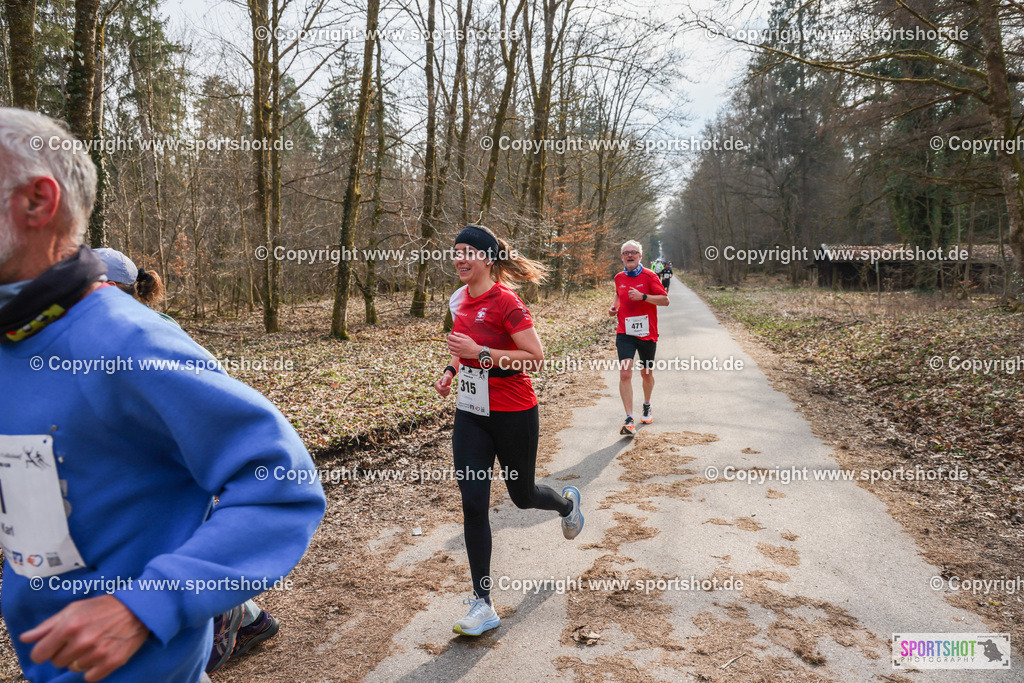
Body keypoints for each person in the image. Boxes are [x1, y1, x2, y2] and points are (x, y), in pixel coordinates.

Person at [0, 107, 325, 682]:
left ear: (37, 201)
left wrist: (145, 606)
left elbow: (282, 481)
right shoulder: (14, 339)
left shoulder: (123, 340)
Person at [93, 248, 280, 673]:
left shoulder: (150, 333)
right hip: (160, 460)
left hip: (180, 460)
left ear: (111, 290)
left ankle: (206, 637)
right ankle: (250, 618)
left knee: (166, 553)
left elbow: (211, 394)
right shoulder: (113, 332)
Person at [433, 224, 583, 637]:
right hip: (471, 414)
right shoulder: (457, 298)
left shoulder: (507, 302)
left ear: (487, 257)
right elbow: (463, 349)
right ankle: (482, 603)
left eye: (468, 252)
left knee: (523, 496)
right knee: (473, 503)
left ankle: (567, 506)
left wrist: (479, 355)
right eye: (456, 251)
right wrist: (450, 371)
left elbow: (534, 358)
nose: (460, 259)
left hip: (514, 411)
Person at [608, 240, 669, 435]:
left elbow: (665, 300)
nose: (630, 255)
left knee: (646, 373)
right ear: (622, 257)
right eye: (626, 253)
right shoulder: (618, 277)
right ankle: (629, 419)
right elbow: (618, 294)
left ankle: (647, 404)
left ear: (640, 256)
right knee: (625, 373)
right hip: (624, 332)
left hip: (647, 333)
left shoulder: (649, 276)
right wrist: (614, 307)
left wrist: (643, 297)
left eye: (634, 252)